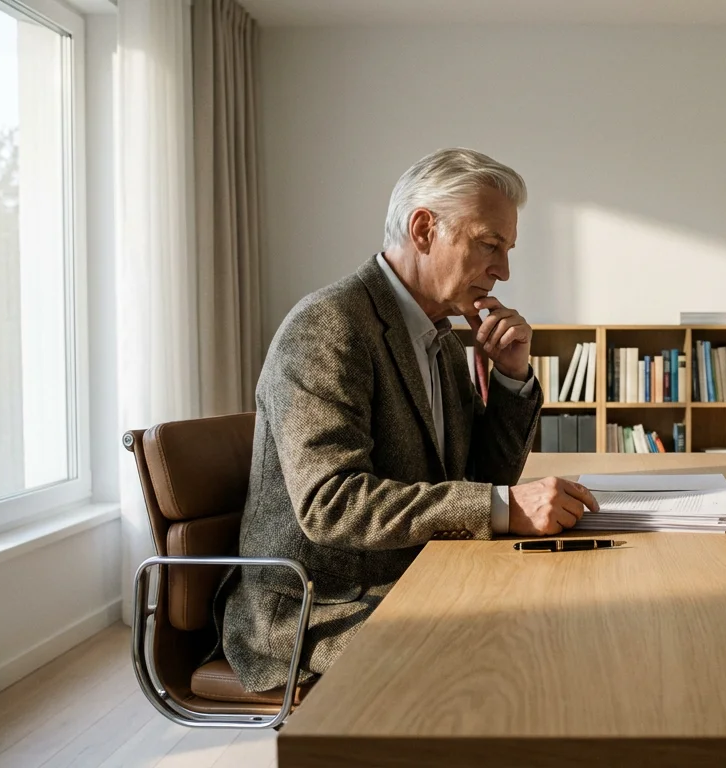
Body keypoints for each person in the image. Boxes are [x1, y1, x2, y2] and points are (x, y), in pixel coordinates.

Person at [219, 148, 599, 692]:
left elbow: (481, 478)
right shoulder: (327, 326)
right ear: (424, 229)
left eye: (507, 249)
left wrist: (512, 378)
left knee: (561, 610)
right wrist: (499, 507)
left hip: (412, 572)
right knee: (517, 651)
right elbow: (331, 503)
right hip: (322, 605)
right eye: (489, 244)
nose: (504, 270)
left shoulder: (438, 337)